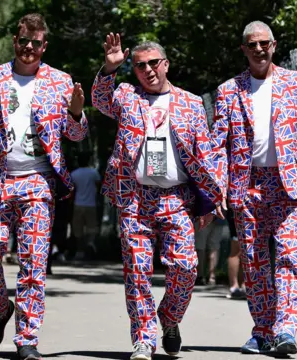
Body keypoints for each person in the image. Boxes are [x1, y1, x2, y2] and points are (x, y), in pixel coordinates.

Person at [0, 13, 87, 360]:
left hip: (37, 182)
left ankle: (27, 339)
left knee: (33, 263)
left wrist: (77, 113)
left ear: (44, 45)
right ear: (15, 40)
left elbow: (77, 136)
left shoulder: (61, 81)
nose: (29, 48)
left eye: (36, 43)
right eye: (24, 40)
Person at [91, 33, 224, 360]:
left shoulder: (191, 103)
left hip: (177, 199)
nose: (148, 70)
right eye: (140, 66)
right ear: (134, 70)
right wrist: (109, 70)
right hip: (135, 198)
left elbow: (206, 153)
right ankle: (144, 339)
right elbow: (98, 98)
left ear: (165, 64)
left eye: (153, 63)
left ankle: (169, 319)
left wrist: (210, 198)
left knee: (186, 267)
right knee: (137, 270)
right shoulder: (126, 96)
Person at [211, 21, 297, 355]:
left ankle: (286, 329)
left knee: (289, 257)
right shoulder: (228, 90)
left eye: (264, 43)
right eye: (252, 45)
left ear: (274, 45)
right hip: (247, 186)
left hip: (287, 184)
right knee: (255, 261)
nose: (259, 49)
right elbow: (217, 145)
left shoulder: (296, 83)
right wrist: (218, 188)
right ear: (244, 50)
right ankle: (263, 330)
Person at [70, 152, 101, 258]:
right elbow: (98, 187)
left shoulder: (74, 174)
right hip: (91, 203)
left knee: (78, 229)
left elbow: (72, 190)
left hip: (78, 203)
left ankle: (80, 251)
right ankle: (90, 244)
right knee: (91, 227)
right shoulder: (94, 173)